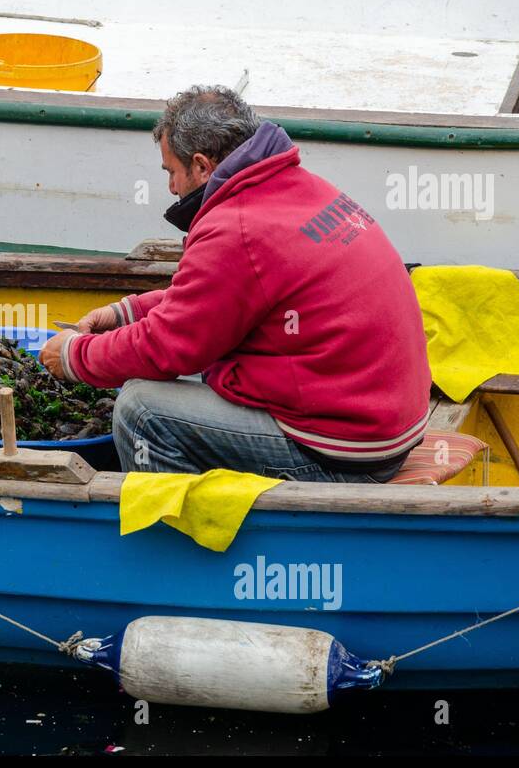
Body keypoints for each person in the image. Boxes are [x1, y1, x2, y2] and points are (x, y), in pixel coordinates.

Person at [38, 85, 431, 482]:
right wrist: (125, 313)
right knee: (178, 369)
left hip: (343, 455)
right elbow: (215, 298)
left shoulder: (236, 226)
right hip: (386, 423)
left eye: (171, 173)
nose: (172, 188)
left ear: (202, 165)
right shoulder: (295, 186)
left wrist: (73, 357)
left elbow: (166, 348)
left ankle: (173, 537)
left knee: (141, 408)